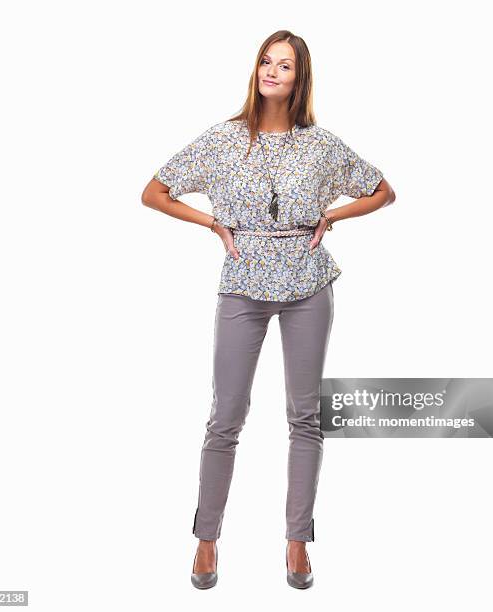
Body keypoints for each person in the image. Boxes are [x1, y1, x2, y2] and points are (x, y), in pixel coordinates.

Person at [141, 30, 396, 589]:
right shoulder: (224, 139)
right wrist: (212, 222)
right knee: (225, 416)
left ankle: (297, 543)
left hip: (308, 282)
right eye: (265, 61)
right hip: (243, 282)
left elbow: (382, 190)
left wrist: (335, 216)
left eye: (284, 64)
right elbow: (155, 192)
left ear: (299, 77)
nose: (272, 71)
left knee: (305, 417)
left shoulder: (321, 145)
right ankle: (206, 541)